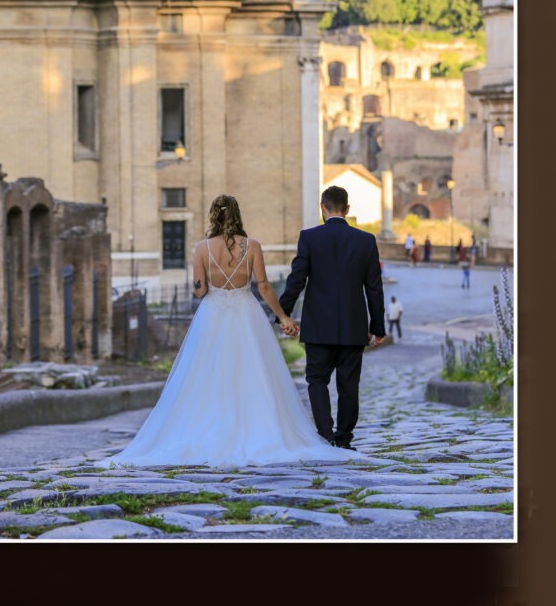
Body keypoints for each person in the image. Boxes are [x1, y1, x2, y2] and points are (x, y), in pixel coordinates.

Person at [107, 194, 365, 467]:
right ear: (238, 215)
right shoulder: (251, 246)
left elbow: (200, 290)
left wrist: (206, 280)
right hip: (246, 313)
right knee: (253, 371)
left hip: (213, 315)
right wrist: (283, 317)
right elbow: (264, 286)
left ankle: (210, 429)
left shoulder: (201, 248)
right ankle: (261, 429)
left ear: (212, 216)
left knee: (207, 374)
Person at [280, 185, 391, 451]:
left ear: (322, 208)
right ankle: (344, 439)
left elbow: (297, 279)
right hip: (353, 327)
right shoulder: (366, 241)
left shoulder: (309, 237)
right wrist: (378, 327)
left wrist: (282, 313)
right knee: (348, 385)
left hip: (318, 326)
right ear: (348, 210)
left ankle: (325, 435)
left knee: (317, 380)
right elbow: (374, 288)